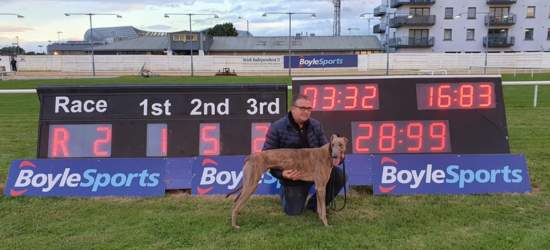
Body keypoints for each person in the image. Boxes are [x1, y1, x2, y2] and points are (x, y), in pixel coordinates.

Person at [262, 95, 346, 215]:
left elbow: (328, 150)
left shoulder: (316, 125)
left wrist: (339, 157)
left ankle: (315, 206)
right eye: (302, 108)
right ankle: (286, 194)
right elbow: (266, 158)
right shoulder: (277, 127)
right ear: (293, 109)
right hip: (293, 177)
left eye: (309, 108)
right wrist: (282, 174)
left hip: (316, 171)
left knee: (340, 176)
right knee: (294, 212)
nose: (306, 111)